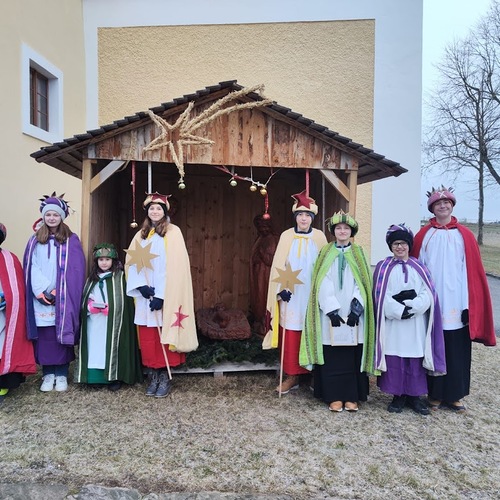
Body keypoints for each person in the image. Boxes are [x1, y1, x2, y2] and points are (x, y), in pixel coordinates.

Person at [411, 186, 496, 413]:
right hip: (433, 300)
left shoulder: (465, 235)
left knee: (457, 349)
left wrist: (470, 305)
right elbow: (416, 268)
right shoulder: (424, 235)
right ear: (432, 208)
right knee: (434, 348)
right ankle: (435, 394)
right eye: (438, 204)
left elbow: (473, 273)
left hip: (458, 303)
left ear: (452, 206)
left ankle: (455, 395)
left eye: (446, 203)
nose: (443, 206)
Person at [300, 211, 375, 412]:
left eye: (346, 228)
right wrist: (332, 310)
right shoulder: (325, 253)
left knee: (351, 356)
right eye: (338, 228)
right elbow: (322, 281)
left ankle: (351, 397)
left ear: (352, 232)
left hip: (353, 317)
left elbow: (363, 284)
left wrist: (355, 310)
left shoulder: (359, 253)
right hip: (329, 316)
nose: (342, 231)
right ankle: (333, 396)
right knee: (332, 356)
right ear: (334, 231)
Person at [126, 192, 197, 398]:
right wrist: (141, 287)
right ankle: (153, 375)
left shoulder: (173, 233)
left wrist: (162, 295)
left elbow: (176, 267)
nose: (155, 211)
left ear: (165, 212)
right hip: (144, 295)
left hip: (165, 295)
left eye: (158, 208)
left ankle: (164, 375)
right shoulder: (141, 234)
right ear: (147, 212)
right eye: (151, 209)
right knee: (148, 337)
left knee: (162, 336)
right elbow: (132, 263)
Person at [373, 224, 446, 415]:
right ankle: (398, 396)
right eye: (396, 243)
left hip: (415, 324)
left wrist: (413, 308)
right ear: (391, 246)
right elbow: (380, 295)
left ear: (409, 245)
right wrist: (399, 310)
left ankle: (414, 397)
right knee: (396, 358)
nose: (400, 247)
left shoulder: (419, 267)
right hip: (394, 325)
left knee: (414, 358)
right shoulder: (383, 267)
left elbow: (428, 292)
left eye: (403, 243)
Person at [262, 190, 327, 394]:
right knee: (290, 333)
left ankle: (315, 374)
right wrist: (281, 292)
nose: (304, 218)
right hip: (292, 294)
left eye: (307, 215)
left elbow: (326, 266)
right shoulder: (286, 236)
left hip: (312, 293)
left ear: (312, 218)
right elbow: (278, 266)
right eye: (300, 215)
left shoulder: (319, 237)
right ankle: (292, 375)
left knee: (314, 331)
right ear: (295, 217)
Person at [24, 193, 86, 392]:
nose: (51, 218)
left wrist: (58, 289)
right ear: (43, 216)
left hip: (62, 296)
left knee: (61, 334)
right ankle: (47, 374)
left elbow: (76, 269)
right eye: (48, 214)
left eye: (55, 215)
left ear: (62, 217)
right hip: (40, 296)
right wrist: (41, 290)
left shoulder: (71, 240)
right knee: (45, 336)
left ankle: (61, 374)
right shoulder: (34, 241)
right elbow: (30, 266)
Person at [75, 243, 143, 390]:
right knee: (95, 349)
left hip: (112, 323)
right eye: (101, 259)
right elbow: (86, 298)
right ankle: (94, 378)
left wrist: (114, 310)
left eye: (107, 259)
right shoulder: (91, 279)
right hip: (94, 323)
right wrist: (89, 307)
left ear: (113, 261)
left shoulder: (120, 278)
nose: (104, 262)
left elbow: (125, 302)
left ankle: (114, 377)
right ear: (96, 262)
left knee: (112, 346)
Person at [0, 223, 36, 404]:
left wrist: (6, 299)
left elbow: (16, 289)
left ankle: (3, 383)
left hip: (3, 314)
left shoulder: (9, 258)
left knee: (3, 346)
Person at [250, 214, 279, 336]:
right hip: (258, 274)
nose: (263, 230)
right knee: (258, 298)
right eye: (260, 227)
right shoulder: (260, 239)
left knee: (264, 297)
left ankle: (265, 322)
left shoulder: (272, 239)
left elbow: (269, 260)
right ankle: (258, 320)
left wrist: (261, 253)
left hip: (266, 276)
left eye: (265, 227)